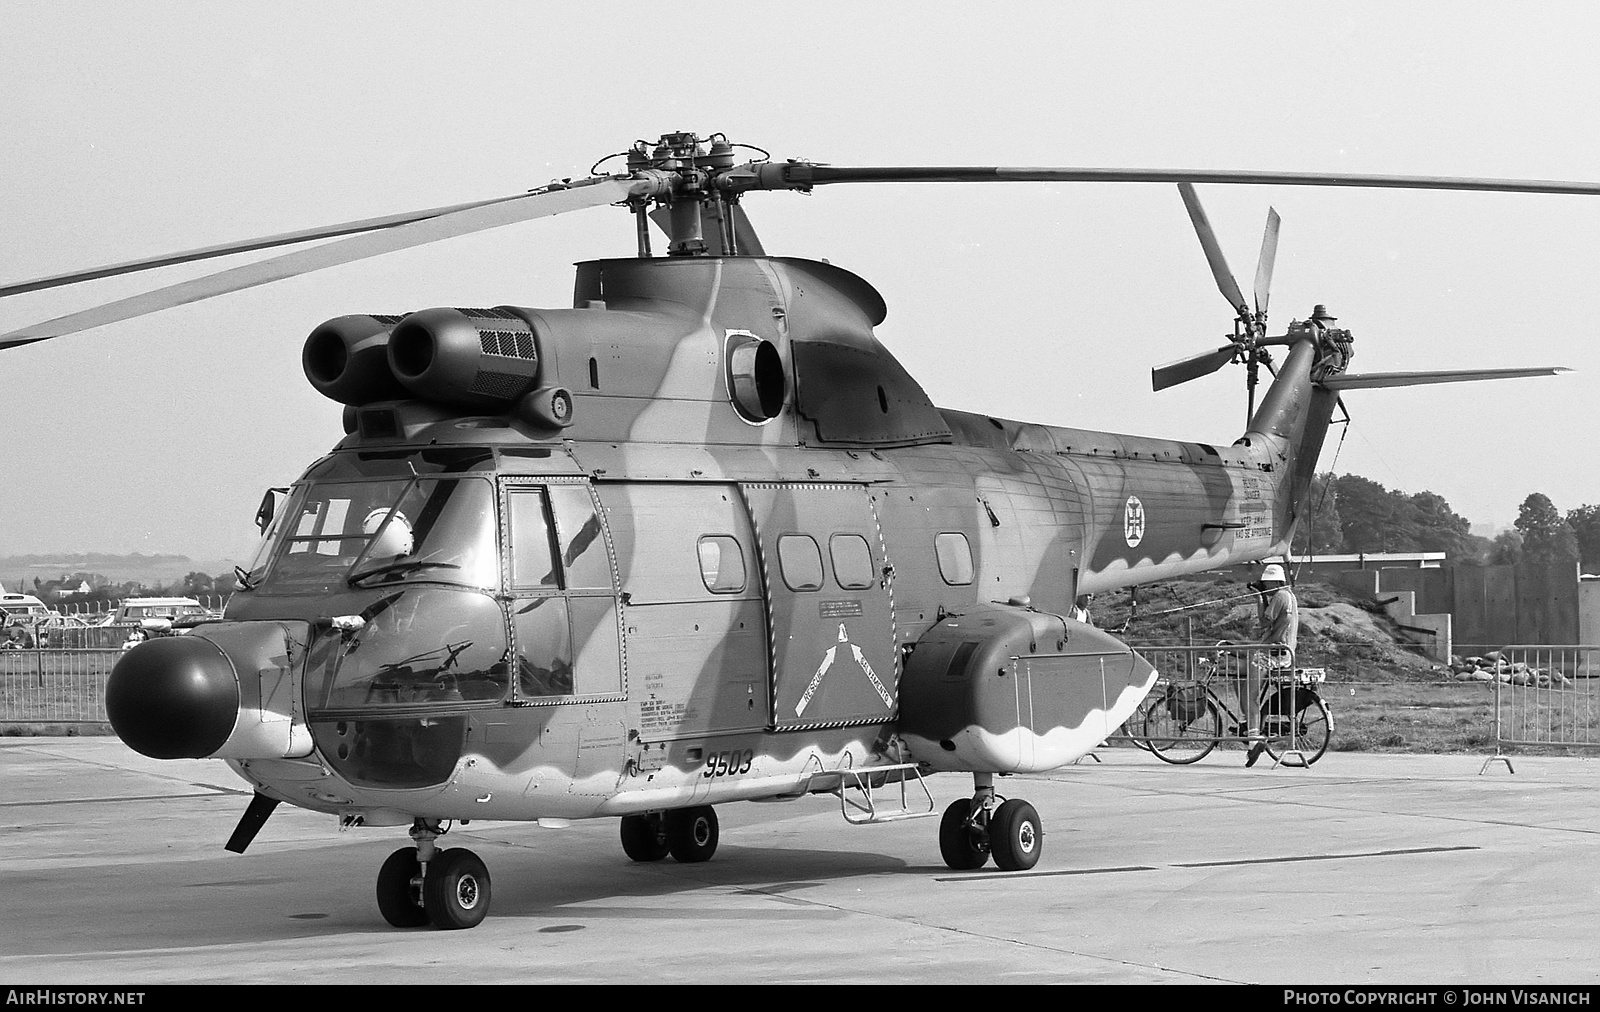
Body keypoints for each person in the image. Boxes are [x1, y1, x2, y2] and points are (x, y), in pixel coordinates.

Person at [1244, 562, 1299, 767]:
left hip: (1270, 654)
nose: (1266, 587)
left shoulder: (1279, 596)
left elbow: (1264, 622)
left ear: (1277, 582)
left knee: (1251, 697)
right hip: (1285, 653)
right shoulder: (1291, 597)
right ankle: (1250, 724)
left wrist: (1259, 598)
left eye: (1267, 584)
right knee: (1241, 674)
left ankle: (1253, 740)